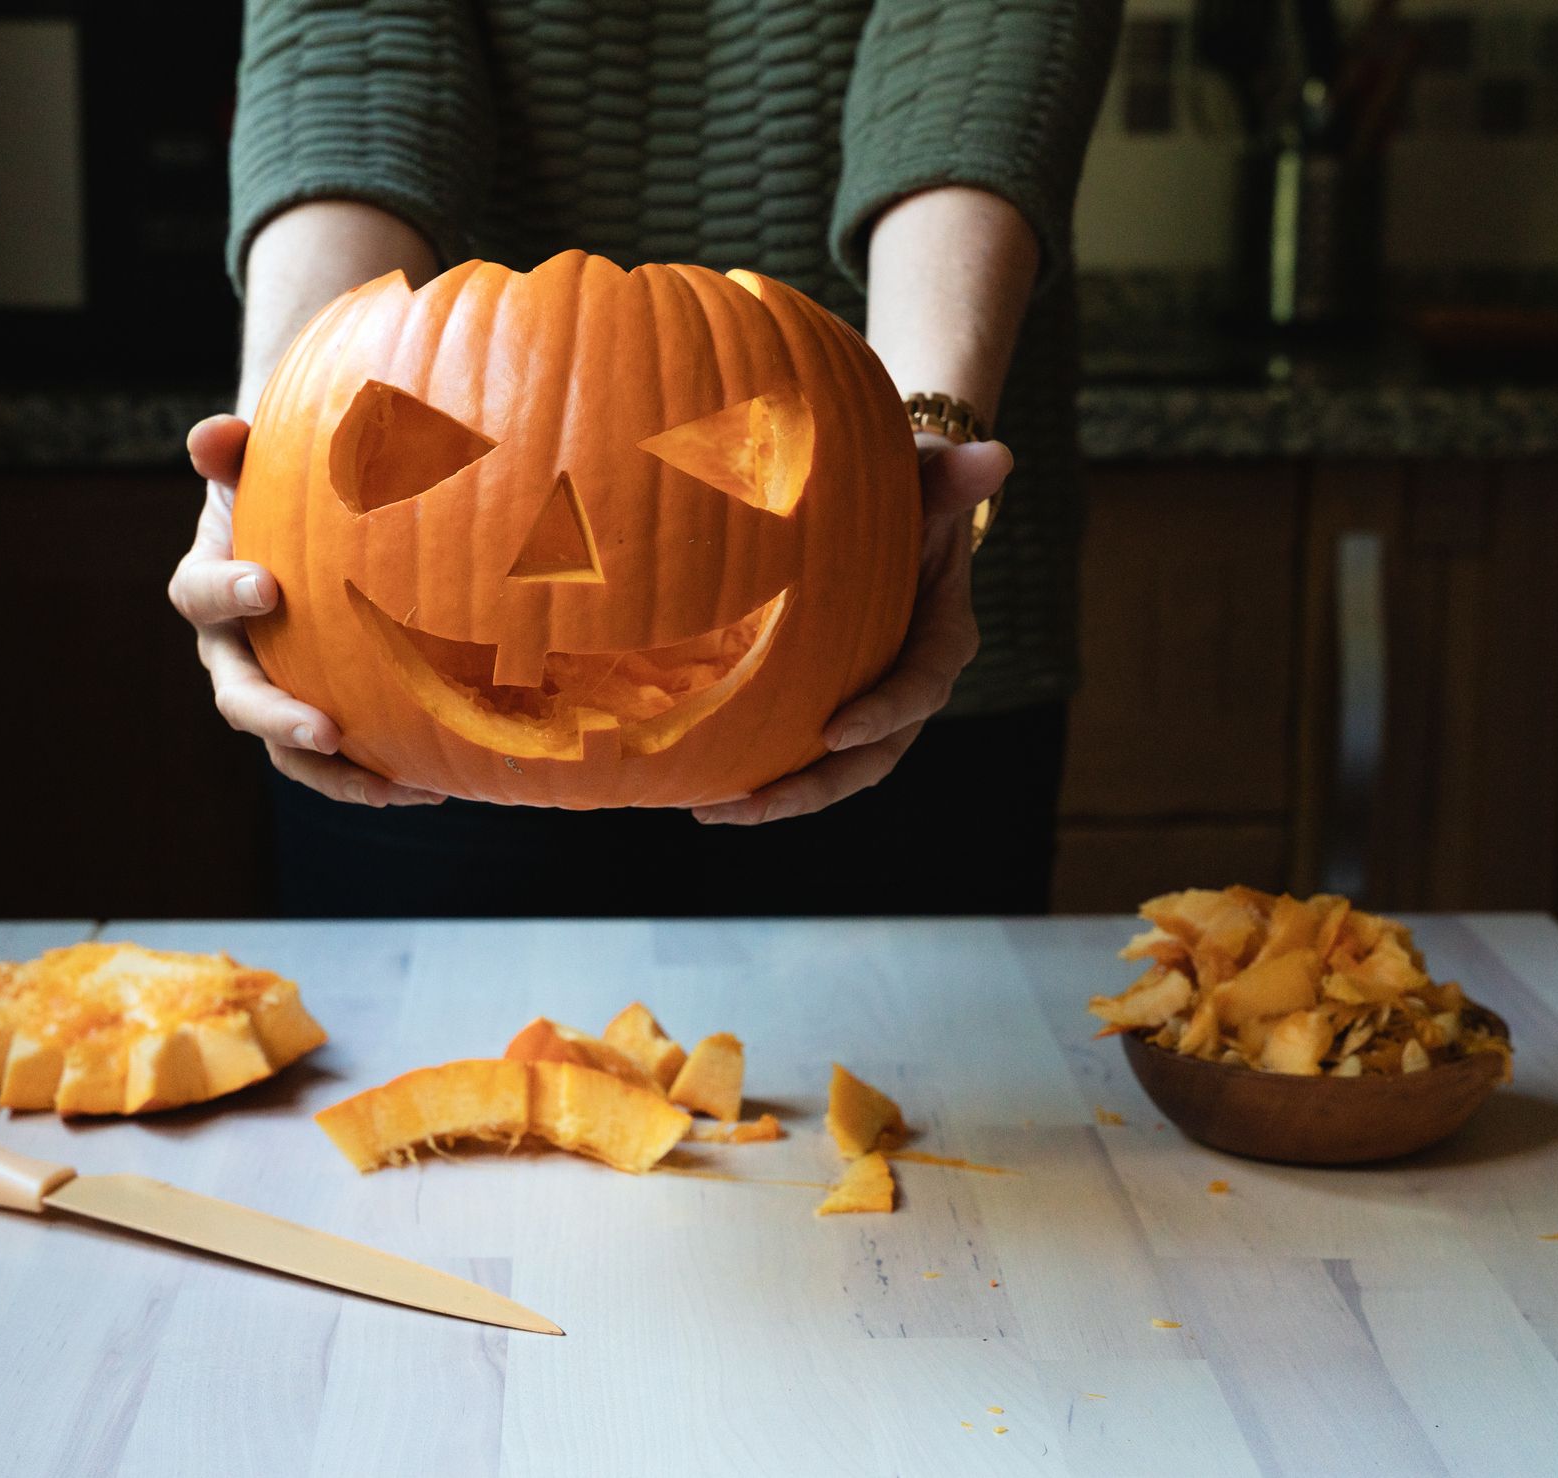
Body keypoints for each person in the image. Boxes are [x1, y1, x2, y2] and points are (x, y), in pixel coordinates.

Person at [169, 0, 1121, 918]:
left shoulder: (880, 514)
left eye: (711, 466)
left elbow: (980, 43)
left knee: (920, 1062)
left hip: (876, 534)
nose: (566, 560)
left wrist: (917, 458)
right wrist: (283, 464)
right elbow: (355, 57)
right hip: (437, 414)